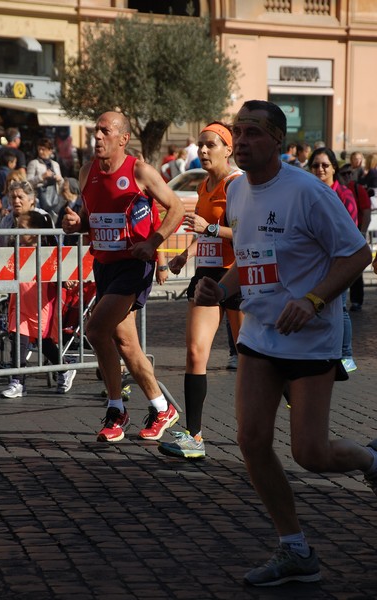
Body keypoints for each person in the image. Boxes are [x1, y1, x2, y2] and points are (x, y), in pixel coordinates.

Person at [194, 100, 376, 587]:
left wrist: (314, 300)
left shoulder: (307, 192)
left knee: (310, 453)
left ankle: (371, 460)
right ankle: (294, 548)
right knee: (251, 441)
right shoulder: (238, 195)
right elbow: (253, 262)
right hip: (258, 336)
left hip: (310, 342)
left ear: (277, 139)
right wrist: (223, 288)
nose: (244, 141)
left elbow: (358, 254)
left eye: (252, 133)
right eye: (238, 132)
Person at [62, 110, 184, 443]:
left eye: (104, 132)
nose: (97, 137)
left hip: (134, 265)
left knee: (96, 328)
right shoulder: (87, 172)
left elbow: (177, 208)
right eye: (95, 132)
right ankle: (162, 409)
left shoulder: (140, 171)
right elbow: (91, 217)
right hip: (104, 265)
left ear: (123, 138)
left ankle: (116, 409)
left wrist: (154, 242)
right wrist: (78, 224)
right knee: (127, 345)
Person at [158, 121, 243, 460]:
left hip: (236, 276)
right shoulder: (206, 186)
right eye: (201, 144)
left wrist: (209, 227)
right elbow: (204, 233)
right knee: (195, 353)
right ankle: (194, 436)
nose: (204, 150)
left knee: (254, 358)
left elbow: (246, 235)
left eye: (211, 144)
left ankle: (290, 395)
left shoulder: (238, 186)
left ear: (228, 149)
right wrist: (184, 254)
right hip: (207, 275)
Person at [0, 210, 76, 398]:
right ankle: (18, 382)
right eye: (17, 227)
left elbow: (59, 273)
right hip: (20, 303)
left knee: (44, 342)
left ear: (36, 231)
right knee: (19, 339)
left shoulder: (46, 252)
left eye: (22, 228)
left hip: (40, 303)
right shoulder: (15, 250)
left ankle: (64, 367)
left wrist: (64, 280)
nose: (17, 231)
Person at [308, 146, 358, 372]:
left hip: (339, 261)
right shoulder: (308, 193)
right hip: (315, 264)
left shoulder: (344, 195)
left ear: (334, 168)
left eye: (325, 165)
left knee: (340, 307)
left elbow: (351, 232)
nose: (320, 169)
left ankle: (346, 355)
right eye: (315, 165)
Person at [339, 164, 372, 312]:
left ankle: (356, 300)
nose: (347, 176)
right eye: (343, 173)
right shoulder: (333, 190)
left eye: (349, 173)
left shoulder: (358, 190)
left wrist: (363, 233)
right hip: (338, 235)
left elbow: (366, 213)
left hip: (356, 233)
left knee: (356, 269)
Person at [0, 180, 50, 247]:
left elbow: (51, 244)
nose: (16, 201)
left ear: (31, 199)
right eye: (13, 197)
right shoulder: (7, 220)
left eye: (20, 197)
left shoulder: (43, 217)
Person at [27, 137, 64, 222]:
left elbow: (62, 183)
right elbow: (27, 182)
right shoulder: (34, 163)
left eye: (43, 149)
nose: (40, 152)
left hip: (54, 198)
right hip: (38, 199)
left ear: (50, 150)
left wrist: (59, 179)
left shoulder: (55, 164)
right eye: (39, 149)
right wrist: (42, 177)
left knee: (53, 221)